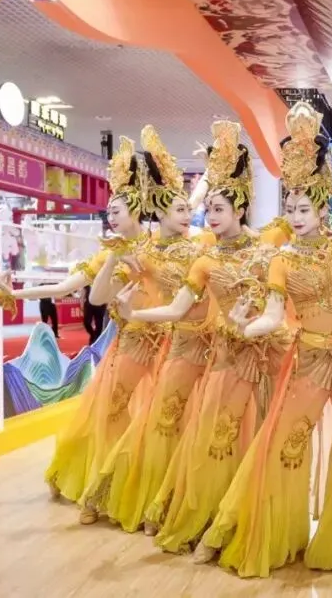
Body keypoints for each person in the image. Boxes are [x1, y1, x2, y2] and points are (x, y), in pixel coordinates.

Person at [193, 101, 332, 576]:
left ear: (322, 207)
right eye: (290, 208)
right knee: (284, 441)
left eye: (304, 208)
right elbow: (273, 315)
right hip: (312, 359)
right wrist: (244, 325)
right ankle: (235, 527)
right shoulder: (279, 261)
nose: (296, 216)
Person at [118, 120, 294, 554]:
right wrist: (133, 312)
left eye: (218, 209)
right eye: (208, 209)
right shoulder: (205, 259)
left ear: (240, 209)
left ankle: (253, 523)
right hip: (227, 356)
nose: (210, 217)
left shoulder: (267, 246)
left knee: (264, 438)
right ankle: (209, 520)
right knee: (216, 439)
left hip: (270, 356)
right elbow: (176, 309)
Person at [80, 125, 221, 533]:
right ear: (159, 212)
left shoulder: (202, 245)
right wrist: (113, 259)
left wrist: (214, 169)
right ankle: (131, 496)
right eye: (180, 209)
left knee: (196, 426)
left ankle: (185, 501)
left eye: (188, 209)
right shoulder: (144, 253)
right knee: (159, 423)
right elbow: (97, 297)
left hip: (211, 345)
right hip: (170, 345)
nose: (189, 214)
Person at [0, 136, 148, 510]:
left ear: (136, 209)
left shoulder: (160, 247)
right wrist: (17, 294)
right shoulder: (108, 254)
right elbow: (64, 287)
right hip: (126, 344)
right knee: (107, 416)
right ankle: (102, 486)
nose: (111, 218)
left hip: (167, 345)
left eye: (117, 211)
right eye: (108, 213)